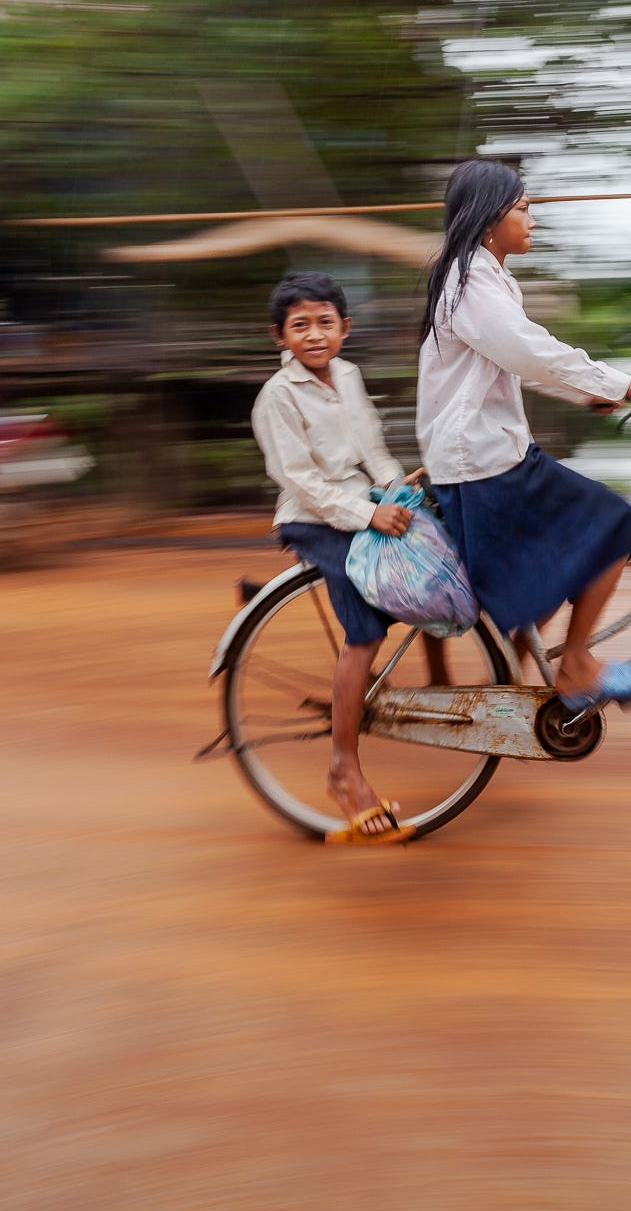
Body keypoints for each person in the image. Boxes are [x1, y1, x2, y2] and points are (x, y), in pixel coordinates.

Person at [415, 161, 631, 713]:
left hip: (489, 455)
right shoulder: (471, 280)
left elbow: (515, 363)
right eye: (523, 208)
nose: (532, 220)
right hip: (485, 461)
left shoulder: (483, 278)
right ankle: (576, 665)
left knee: (564, 555)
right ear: (490, 218)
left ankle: (519, 669)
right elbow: (528, 350)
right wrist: (624, 384)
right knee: (613, 528)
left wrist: (591, 393)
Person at [250, 272, 449, 846]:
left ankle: (438, 685)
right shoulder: (277, 397)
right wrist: (369, 516)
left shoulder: (349, 375)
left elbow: (372, 450)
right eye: (300, 326)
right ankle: (344, 767)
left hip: (364, 503)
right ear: (280, 337)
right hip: (313, 519)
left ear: (345, 328)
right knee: (363, 630)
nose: (314, 334)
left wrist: (398, 490)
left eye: (325, 322)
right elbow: (302, 482)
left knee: (435, 560)